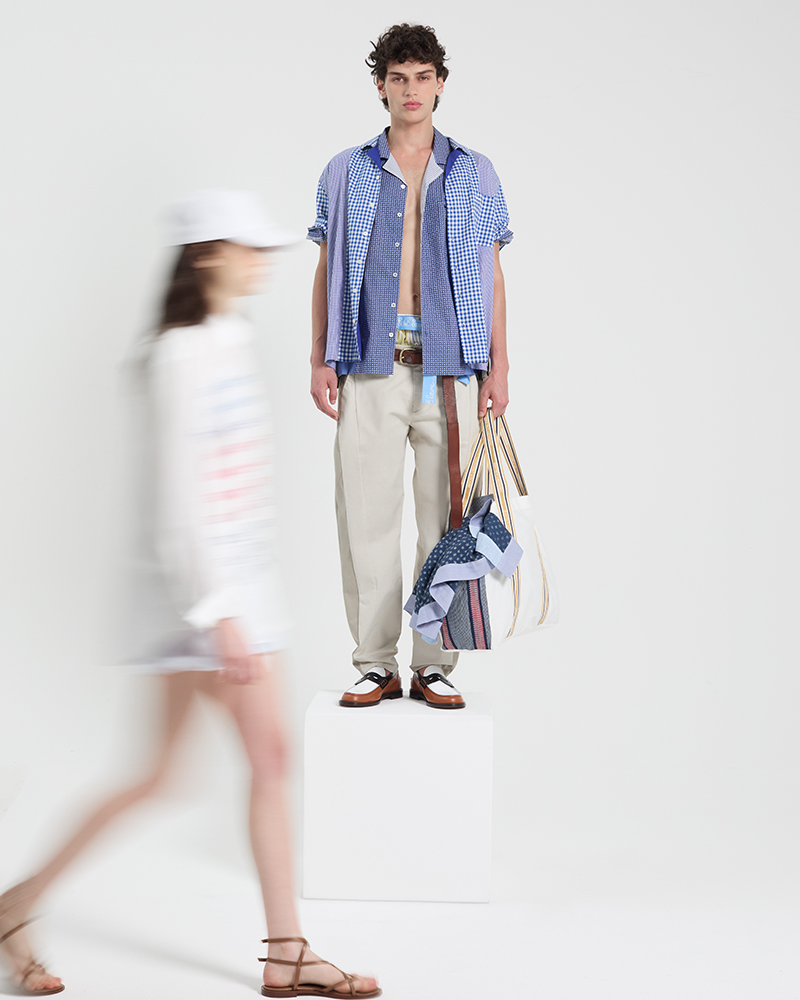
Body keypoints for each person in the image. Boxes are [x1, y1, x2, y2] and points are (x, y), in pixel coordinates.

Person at [0, 191, 380, 1000]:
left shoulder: (227, 340)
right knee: (260, 760)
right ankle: (286, 951)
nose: (262, 261)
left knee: (163, 774)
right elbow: (181, 501)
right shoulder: (179, 354)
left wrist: (240, 601)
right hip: (205, 602)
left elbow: (234, 489)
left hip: (238, 593)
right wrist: (219, 613)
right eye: (247, 248)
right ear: (207, 254)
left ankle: (14, 906)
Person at [309, 24, 513, 710]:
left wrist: (500, 368)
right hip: (371, 364)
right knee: (365, 520)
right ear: (381, 86)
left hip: (450, 372)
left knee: (445, 523)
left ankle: (434, 663)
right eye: (398, 78)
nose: (411, 90)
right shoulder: (345, 171)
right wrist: (320, 355)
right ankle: (375, 663)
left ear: (440, 83)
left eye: (423, 77)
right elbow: (325, 267)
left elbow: (491, 274)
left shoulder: (476, 172)